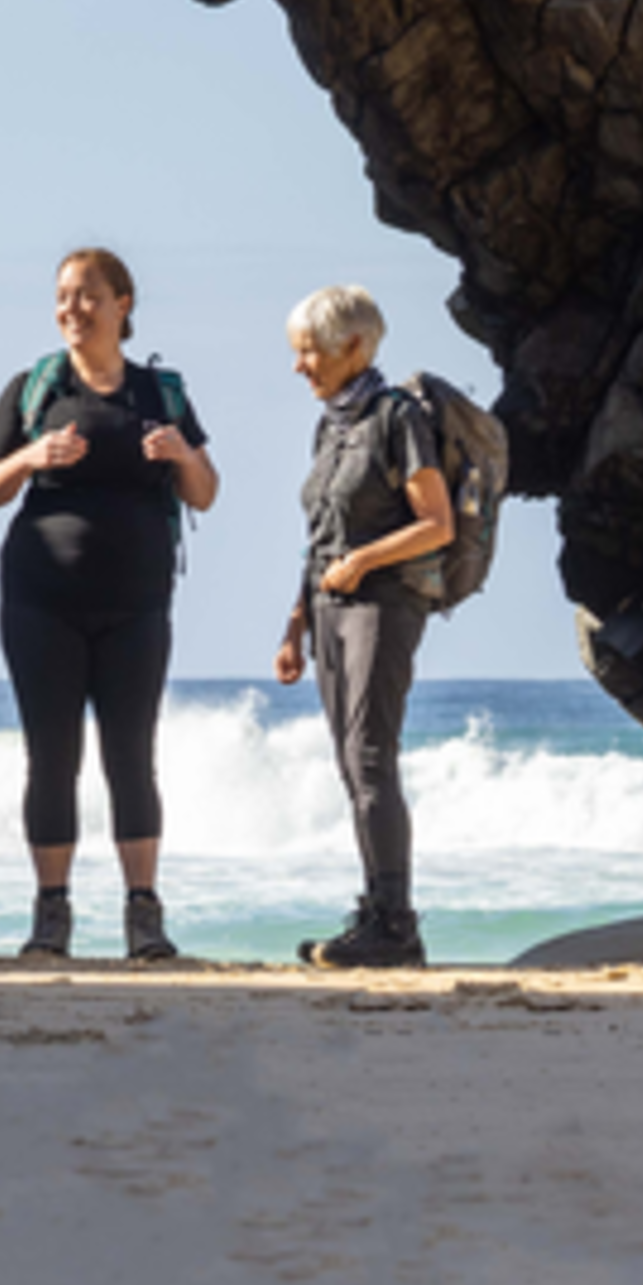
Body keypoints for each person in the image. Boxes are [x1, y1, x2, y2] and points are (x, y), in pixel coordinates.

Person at [0, 247, 219, 961]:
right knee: (51, 756)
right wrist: (31, 458)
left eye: (87, 296)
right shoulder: (34, 387)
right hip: (39, 600)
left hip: (138, 603)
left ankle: (144, 915)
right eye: (63, 297)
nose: (72, 309)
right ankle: (51, 915)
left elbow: (205, 492)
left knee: (131, 755)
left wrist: (182, 455)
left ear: (122, 305)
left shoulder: (159, 393)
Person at [273, 283, 454, 969]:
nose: (299, 366)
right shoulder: (332, 423)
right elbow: (318, 534)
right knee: (353, 765)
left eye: (309, 351)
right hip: (327, 610)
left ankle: (395, 924)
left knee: (371, 758)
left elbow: (437, 524)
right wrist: (294, 625)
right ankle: (376, 914)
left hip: (384, 603)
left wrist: (362, 563)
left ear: (354, 347)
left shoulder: (395, 418)